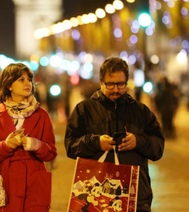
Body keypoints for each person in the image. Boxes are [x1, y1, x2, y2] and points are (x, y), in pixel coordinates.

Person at [65, 57, 164, 212]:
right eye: (110, 84)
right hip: (96, 198)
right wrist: (96, 143)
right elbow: (70, 146)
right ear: (101, 82)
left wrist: (138, 141)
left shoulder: (141, 111)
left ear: (127, 82)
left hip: (136, 197)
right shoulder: (84, 110)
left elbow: (158, 148)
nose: (116, 89)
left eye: (120, 84)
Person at [0, 63, 57, 212]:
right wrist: (6, 145)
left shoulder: (42, 115)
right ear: (9, 84)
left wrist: (37, 145)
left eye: (29, 79)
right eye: (21, 79)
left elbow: (51, 152)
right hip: (7, 181)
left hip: (35, 180)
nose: (28, 83)